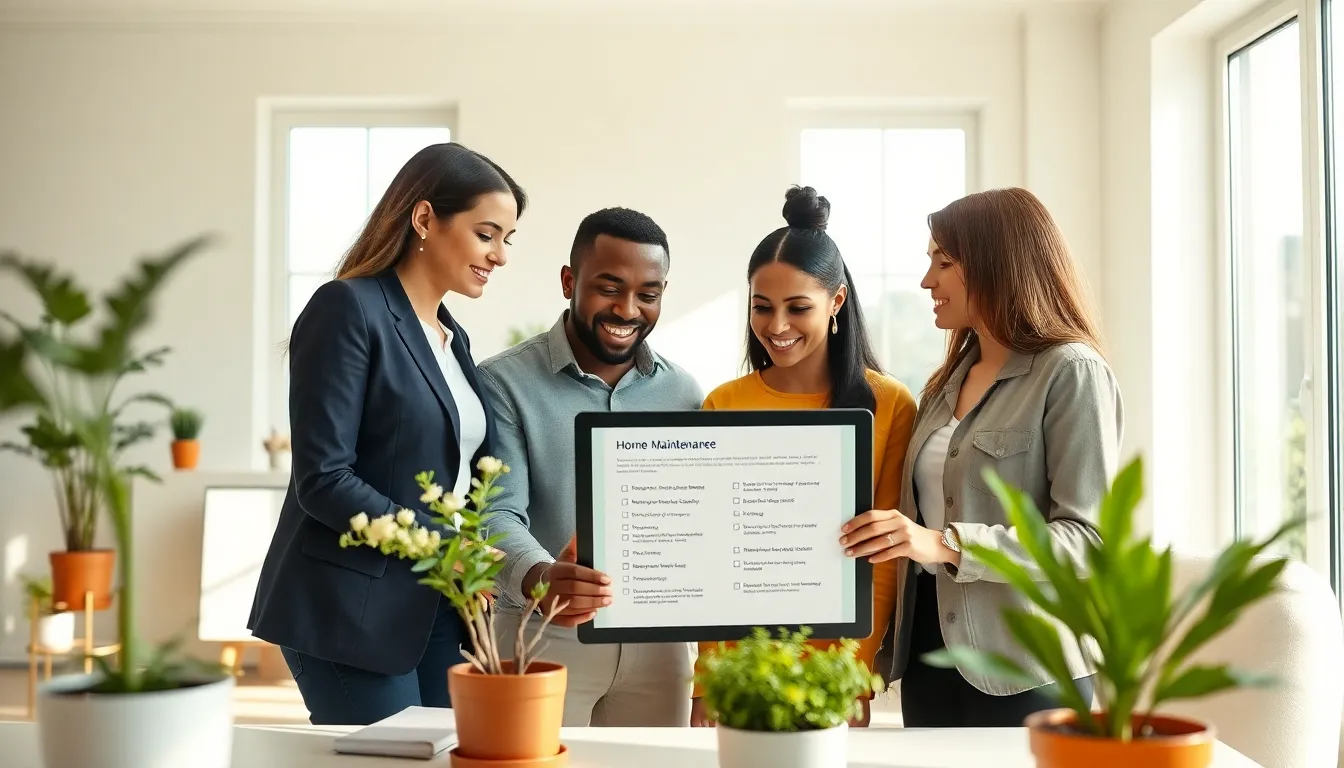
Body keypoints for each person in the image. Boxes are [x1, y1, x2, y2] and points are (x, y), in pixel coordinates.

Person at [247, 142, 526, 725]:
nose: (500, 256)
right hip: (349, 607)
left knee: (451, 755)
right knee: (389, 761)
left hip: (437, 606)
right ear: (424, 218)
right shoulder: (348, 308)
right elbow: (324, 479)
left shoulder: (452, 337)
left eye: (507, 239)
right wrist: (445, 547)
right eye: (486, 234)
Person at [844, 187, 1121, 727]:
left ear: (999, 264)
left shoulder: (1071, 372)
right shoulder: (943, 384)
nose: (927, 281)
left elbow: (1087, 542)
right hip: (929, 656)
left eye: (944, 263)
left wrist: (945, 543)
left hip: (1027, 667)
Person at [688, 186, 918, 728]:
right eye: (762, 307)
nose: (777, 326)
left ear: (836, 302)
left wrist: (853, 673)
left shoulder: (890, 403)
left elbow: (885, 559)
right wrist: (707, 681)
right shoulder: (723, 403)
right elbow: (711, 557)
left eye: (798, 308)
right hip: (739, 671)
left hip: (834, 674)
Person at [478, 207, 703, 727]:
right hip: (543, 630)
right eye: (609, 288)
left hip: (661, 644)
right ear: (568, 282)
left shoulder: (684, 393)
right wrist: (540, 577)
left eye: (648, 294)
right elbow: (495, 512)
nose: (628, 309)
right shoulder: (502, 383)